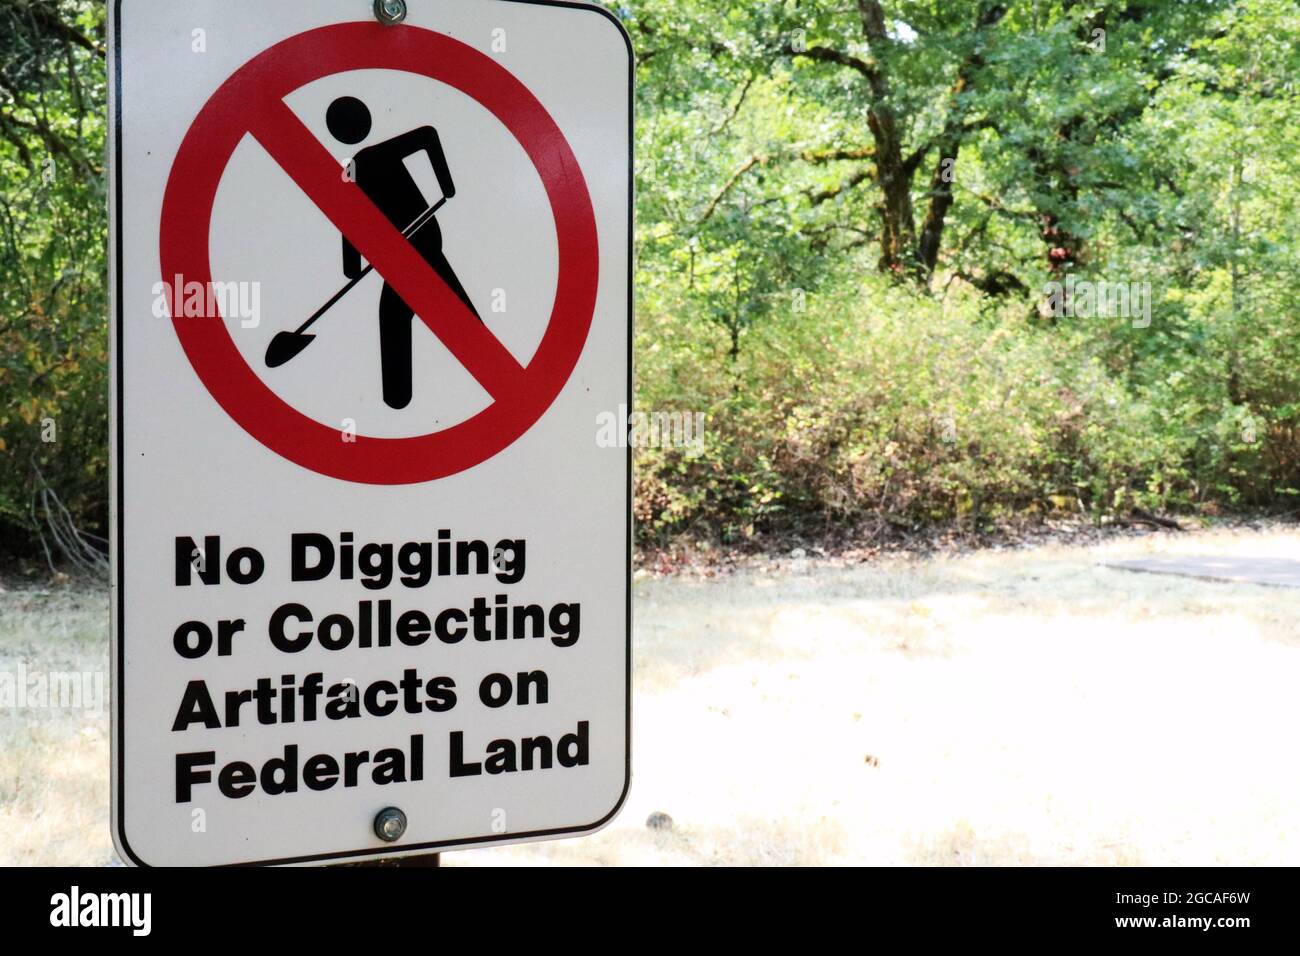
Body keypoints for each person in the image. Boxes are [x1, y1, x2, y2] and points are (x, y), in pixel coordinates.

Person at [325, 95, 481, 410]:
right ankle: (484, 362)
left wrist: (447, 186)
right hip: (400, 253)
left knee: (400, 313)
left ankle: (400, 396)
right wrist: (351, 264)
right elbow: (349, 221)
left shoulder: (370, 158)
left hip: (419, 241)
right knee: (410, 311)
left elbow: (427, 136)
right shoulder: (353, 172)